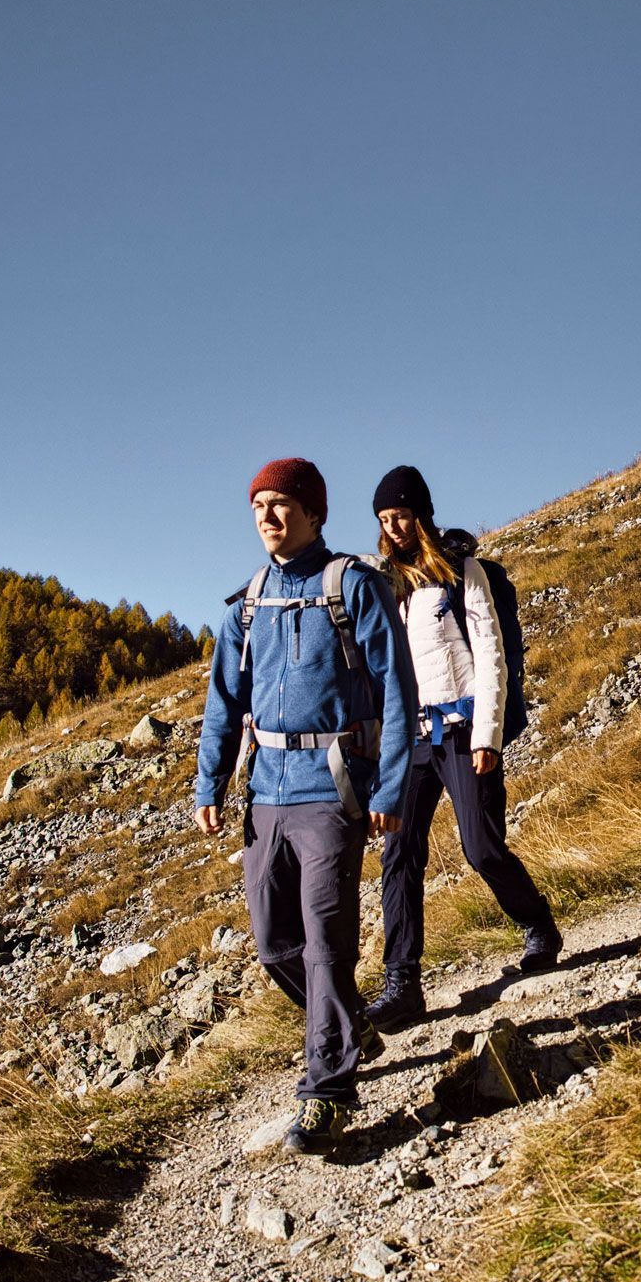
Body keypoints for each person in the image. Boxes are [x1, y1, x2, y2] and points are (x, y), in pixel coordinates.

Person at [193, 457, 416, 1153]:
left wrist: (390, 786)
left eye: (282, 503)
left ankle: (327, 1091)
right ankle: (352, 1025)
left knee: (325, 941)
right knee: (271, 946)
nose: (267, 515)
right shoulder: (247, 608)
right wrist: (209, 786)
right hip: (264, 796)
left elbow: (399, 693)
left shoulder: (353, 587)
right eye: (258, 504)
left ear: (315, 512)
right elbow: (222, 707)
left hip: (332, 790)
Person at [367, 464, 560, 1030]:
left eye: (400, 515)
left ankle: (538, 925)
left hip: (463, 730)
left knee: (481, 848)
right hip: (413, 740)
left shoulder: (461, 572)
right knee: (399, 854)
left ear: (421, 513)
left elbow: (491, 655)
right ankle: (403, 983)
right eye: (384, 519)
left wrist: (488, 735)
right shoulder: (388, 587)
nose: (394, 527)